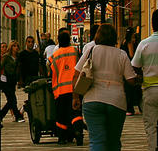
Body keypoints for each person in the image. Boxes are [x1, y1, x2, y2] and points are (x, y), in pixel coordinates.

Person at [73, 23, 138, 151]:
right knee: (114, 141)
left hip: (92, 99)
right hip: (116, 101)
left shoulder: (91, 51)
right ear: (114, 37)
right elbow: (131, 80)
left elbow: (76, 75)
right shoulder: (121, 54)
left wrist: (75, 97)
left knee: (97, 141)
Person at [131, 9, 158, 150]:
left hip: (150, 89)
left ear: (152, 25)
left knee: (151, 125)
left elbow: (135, 66)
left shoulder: (144, 44)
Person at [50, 31, 83, 145]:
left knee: (61, 115)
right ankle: (78, 132)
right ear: (69, 40)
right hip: (75, 88)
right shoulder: (75, 51)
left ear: (58, 41)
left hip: (61, 90)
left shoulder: (55, 55)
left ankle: (62, 137)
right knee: (75, 112)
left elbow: (50, 70)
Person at [0, 41, 25, 122]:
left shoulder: (17, 57)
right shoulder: (6, 57)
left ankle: (0, 116)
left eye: (17, 46)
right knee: (12, 99)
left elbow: (18, 69)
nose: (16, 48)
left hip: (13, 80)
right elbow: (1, 67)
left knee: (11, 100)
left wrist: (19, 80)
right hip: (5, 80)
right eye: (14, 46)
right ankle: (17, 116)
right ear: (11, 47)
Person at [120, 28, 140, 115]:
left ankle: (129, 107)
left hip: (125, 67)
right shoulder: (129, 43)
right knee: (130, 88)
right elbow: (131, 55)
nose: (134, 39)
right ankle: (130, 108)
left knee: (128, 88)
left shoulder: (124, 42)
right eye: (133, 37)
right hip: (130, 67)